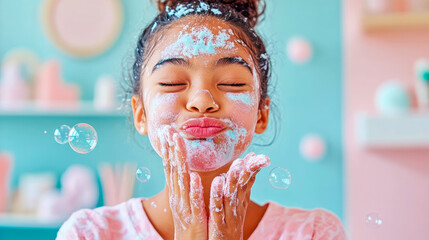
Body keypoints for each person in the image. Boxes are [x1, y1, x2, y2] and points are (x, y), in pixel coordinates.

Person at [57, 0, 347, 239]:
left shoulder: (314, 233)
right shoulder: (89, 233)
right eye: (172, 83)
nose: (202, 101)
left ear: (261, 114)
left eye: (233, 83)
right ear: (140, 113)